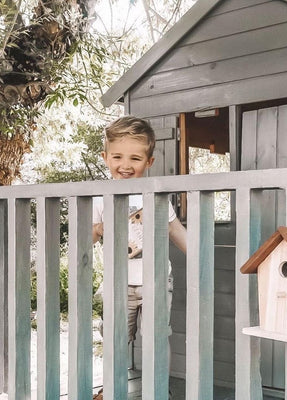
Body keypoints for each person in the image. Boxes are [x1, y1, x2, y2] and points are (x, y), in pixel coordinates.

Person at [92, 116, 187, 400]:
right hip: (118, 283)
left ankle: (158, 391)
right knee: (115, 339)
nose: (125, 164)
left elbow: (176, 232)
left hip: (156, 280)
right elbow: (87, 237)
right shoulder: (99, 196)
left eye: (135, 157)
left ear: (149, 161)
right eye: (117, 156)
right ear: (105, 158)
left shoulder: (155, 196)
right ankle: (111, 389)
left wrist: (201, 257)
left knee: (157, 339)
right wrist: (98, 228)